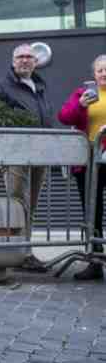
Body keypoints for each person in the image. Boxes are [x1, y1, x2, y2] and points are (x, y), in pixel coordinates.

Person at [0, 43, 54, 271]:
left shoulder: (40, 85)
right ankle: (18, 253)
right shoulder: (2, 85)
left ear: (36, 62)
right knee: (18, 202)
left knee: (31, 204)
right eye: (20, 57)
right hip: (15, 152)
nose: (25, 60)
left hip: (39, 152)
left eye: (29, 57)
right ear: (13, 61)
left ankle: (25, 251)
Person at [58, 54, 106, 281]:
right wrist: (79, 106)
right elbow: (64, 117)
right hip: (88, 162)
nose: (104, 73)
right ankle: (95, 261)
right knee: (92, 212)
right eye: (100, 70)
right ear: (93, 75)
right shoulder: (81, 94)